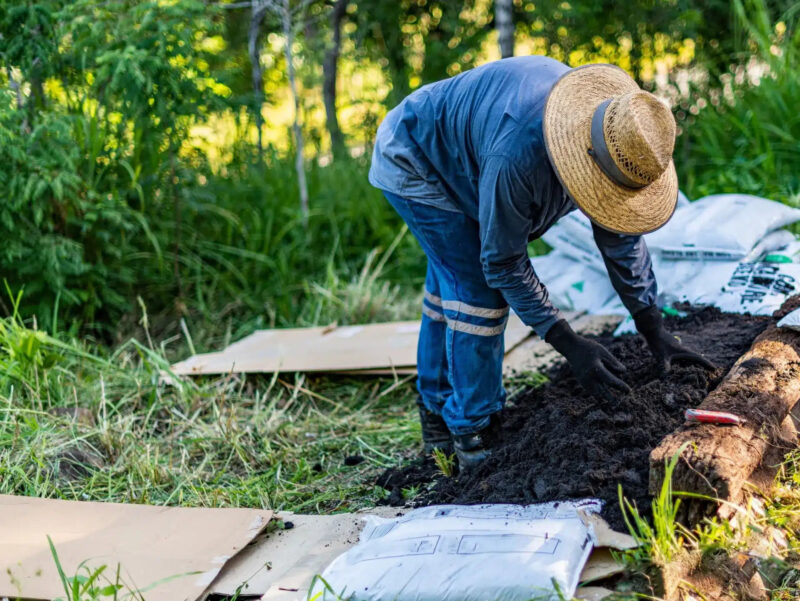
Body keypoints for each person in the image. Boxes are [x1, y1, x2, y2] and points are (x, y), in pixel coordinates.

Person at [368, 56, 714, 471]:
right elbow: (503, 262)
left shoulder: (618, 138)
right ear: (583, 161)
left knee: (452, 282)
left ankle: (441, 410)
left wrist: (652, 326)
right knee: (476, 291)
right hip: (416, 155)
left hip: (473, 155)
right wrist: (568, 342)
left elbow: (619, 238)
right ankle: (470, 429)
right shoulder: (520, 157)